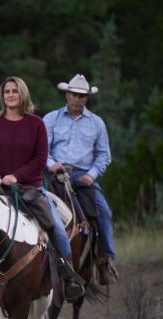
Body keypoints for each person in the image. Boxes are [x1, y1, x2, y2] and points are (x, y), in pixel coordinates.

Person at [0, 76, 84, 301]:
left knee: (56, 227)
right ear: (2, 96)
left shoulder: (36, 124)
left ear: (23, 94)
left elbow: (41, 158)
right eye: (7, 92)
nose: (11, 95)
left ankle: (68, 274)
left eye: (15, 91)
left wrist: (16, 176)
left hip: (29, 189)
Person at [43, 74, 118, 285]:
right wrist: (51, 164)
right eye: (74, 95)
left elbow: (104, 155)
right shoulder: (50, 119)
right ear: (67, 95)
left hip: (82, 175)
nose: (77, 99)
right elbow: (41, 149)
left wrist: (91, 174)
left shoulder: (97, 123)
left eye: (82, 96)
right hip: (54, 173)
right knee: (32, 204)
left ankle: (105, 260)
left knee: (103, 211)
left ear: (87, 98)